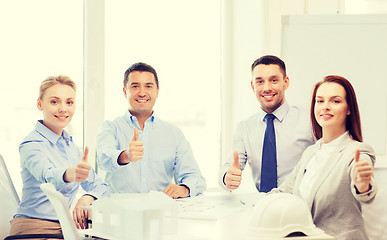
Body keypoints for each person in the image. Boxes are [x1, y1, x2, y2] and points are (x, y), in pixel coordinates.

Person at [270, 75, 376, 239]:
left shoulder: (358, 151)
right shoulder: (311, 152)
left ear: (349, 109)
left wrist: (363, 185)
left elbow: (366, 193)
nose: (325, 106)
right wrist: (254, 206)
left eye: (335, 101)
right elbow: (284, 191)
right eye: (320, 101)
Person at [9, 75, 109, 236]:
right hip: (33, 227)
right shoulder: (31, 144)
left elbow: (101, 186)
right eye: (55, 102)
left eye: (69, 102)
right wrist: (68, 173)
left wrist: (88, 196)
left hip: (64, 229)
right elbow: (46, 175)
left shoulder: (72, 148)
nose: (63, 109)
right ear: (40, 104)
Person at [96, 62, 206, 198]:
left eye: (148, 86)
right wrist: (126, 156)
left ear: (157, 91)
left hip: (161, 214)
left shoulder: (174, 134)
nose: (142, 93)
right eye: (135, 86)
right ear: (125, 92)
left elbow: (195, 178)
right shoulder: (111, 128)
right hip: (121, 213)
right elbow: (103, 159)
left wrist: (184, 189)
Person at [219, 55, 314, 192]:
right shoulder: (244, 128)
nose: (267, 88)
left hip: (301, 205)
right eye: (259, 82)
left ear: (285, 82)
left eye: (274, 80)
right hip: (263, 206)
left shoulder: (310, 119)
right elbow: (230, 166)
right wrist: (227, 177)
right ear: (253, 86)